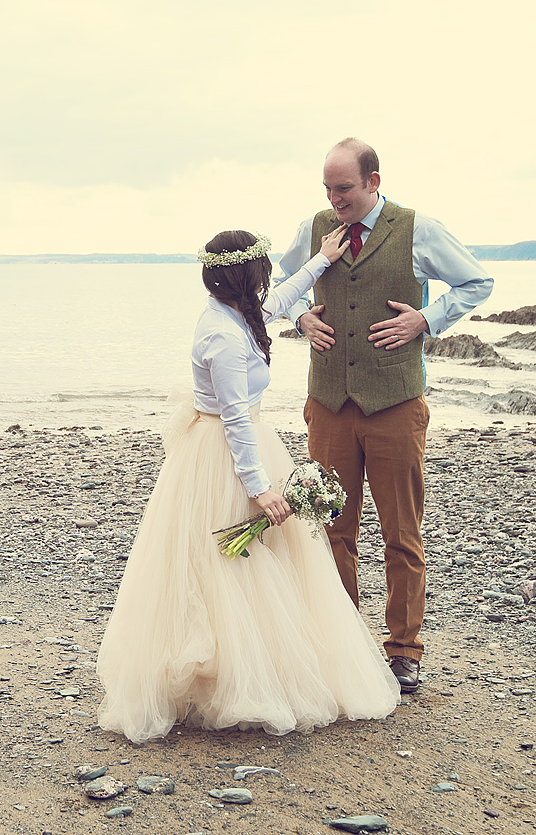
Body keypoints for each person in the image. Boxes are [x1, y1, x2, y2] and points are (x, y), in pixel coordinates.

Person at [96, 227, 400, 744]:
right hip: (225, 456)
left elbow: (279, 301)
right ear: (246, 275)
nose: (269, 279)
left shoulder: (237, 313)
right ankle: (230, 678)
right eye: (263, 269)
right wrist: (261, 489)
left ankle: (262, 666)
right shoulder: (222, 335)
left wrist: (320, 261)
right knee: (230, 566)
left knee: (258, 566)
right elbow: (235, 418)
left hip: (244, 445)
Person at [276, 138, 493, 694]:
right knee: (329, 530)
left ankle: (403, 651)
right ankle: (340, 642)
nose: (334, 198)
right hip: (328, 404)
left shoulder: (419, 229)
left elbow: (477, 281)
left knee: (402, 532)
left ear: (374, 179)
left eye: (343, 188)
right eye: (327, 188)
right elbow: (278, 287)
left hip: (396, 403)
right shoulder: (314, 228)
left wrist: (427, 319)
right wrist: (301, 318)